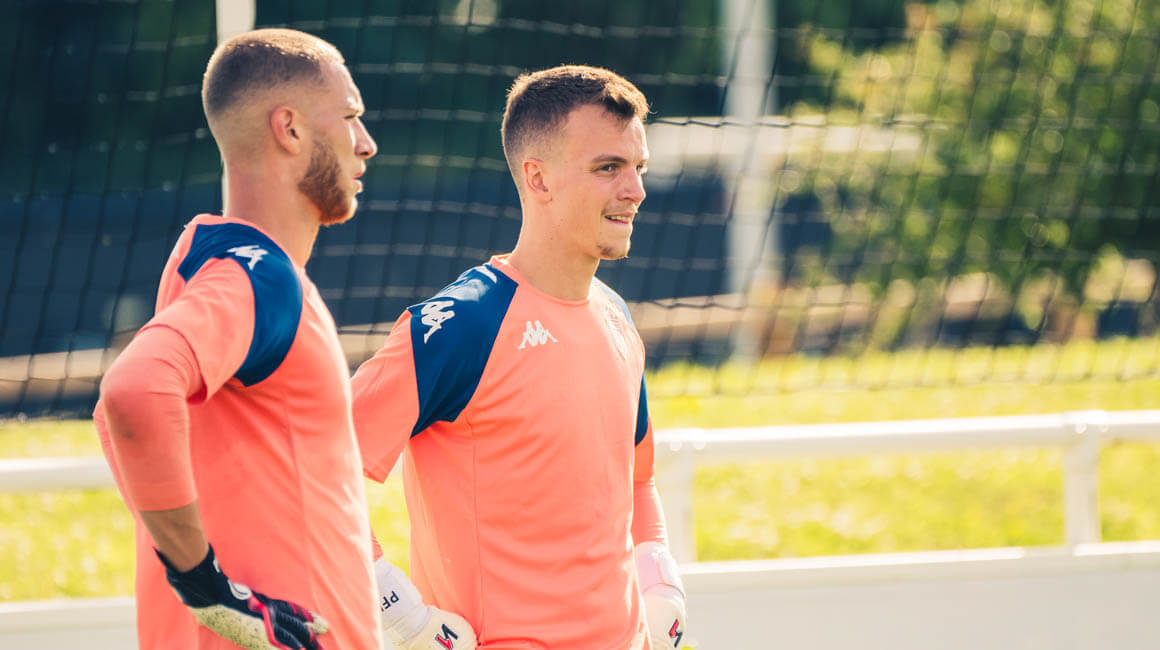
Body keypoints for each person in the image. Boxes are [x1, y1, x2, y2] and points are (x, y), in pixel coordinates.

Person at [351, 65, 688, 649]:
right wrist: (402, 616)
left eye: (639, 167)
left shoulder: (616, 317)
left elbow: (638, 477)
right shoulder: (462, 325)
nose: (635, 189)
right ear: (538, 178)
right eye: (608, 167)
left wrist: (660, 587)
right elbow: (318, 471)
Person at [96, 28, 382, 650]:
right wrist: (204, 584)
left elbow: (114, 422)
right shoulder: (260, 278)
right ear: (290, 129)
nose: (366, 142)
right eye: (349, 117)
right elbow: (131, 393)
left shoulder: (208, 262)